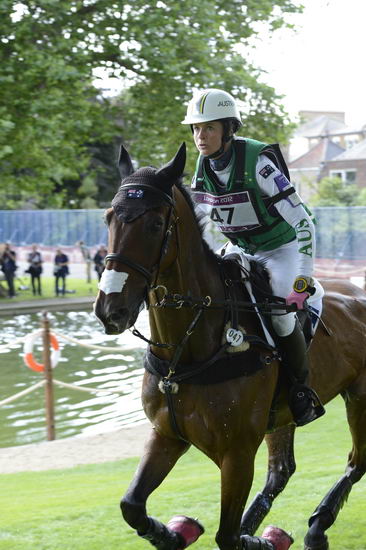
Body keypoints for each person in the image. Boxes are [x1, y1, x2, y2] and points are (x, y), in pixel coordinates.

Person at [181, 88, 325, 427]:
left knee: (278, 313)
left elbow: (303, 223)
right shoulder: (202, 171)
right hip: (244, 249)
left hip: (283, 248)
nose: (201, 136)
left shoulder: (259, 165)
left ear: (229, 129)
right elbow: (206, 226)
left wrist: (302, 278)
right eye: (196, 129)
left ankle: (301, 390)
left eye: (210, 128)